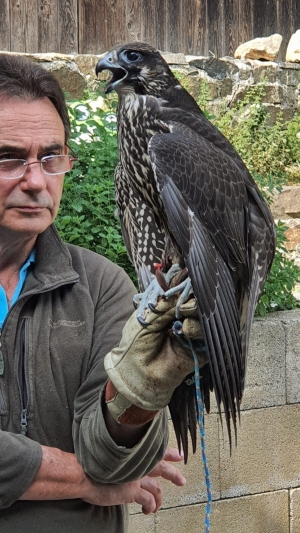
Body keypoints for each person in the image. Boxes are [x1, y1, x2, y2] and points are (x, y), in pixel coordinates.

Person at [0, 53, 198, 532]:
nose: (36, 181)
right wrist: (84, 482)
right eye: (9, 159)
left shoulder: (102, 286)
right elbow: (99, 476)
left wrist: (136, 392)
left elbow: (110, 459)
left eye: (51, 158)